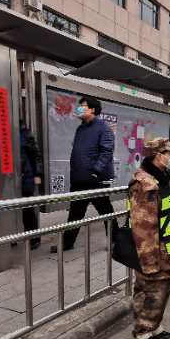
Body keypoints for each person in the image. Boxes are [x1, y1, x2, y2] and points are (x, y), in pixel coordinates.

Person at [129, 138, 170, 339]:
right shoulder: (145, 184)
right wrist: (149, 260)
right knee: (151, 291)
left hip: (166, 247)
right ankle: (143, 332)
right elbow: (142, 227)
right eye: (168, 153)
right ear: (157, 155)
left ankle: (153, 327)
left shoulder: (161, 178)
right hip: (153, 250)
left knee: (161, 289)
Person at [52, 97, 115, 253]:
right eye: (79, 106)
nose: (79, 108)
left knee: (106, 212)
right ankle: (67, 243)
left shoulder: (103, 128)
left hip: (95, 180)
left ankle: (115, 241)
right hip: (79, 179)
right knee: (75, 213)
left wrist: (95, 171)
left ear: (92, 109)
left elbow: (106, 152)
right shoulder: (80, 129)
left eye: (83, 106)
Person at [20, 121, 43, 249]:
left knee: (27, 209)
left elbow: (35, 155)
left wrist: (37, 174)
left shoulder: (25, 133)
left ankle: (34, 238)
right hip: (11, 178)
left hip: (26, 177)